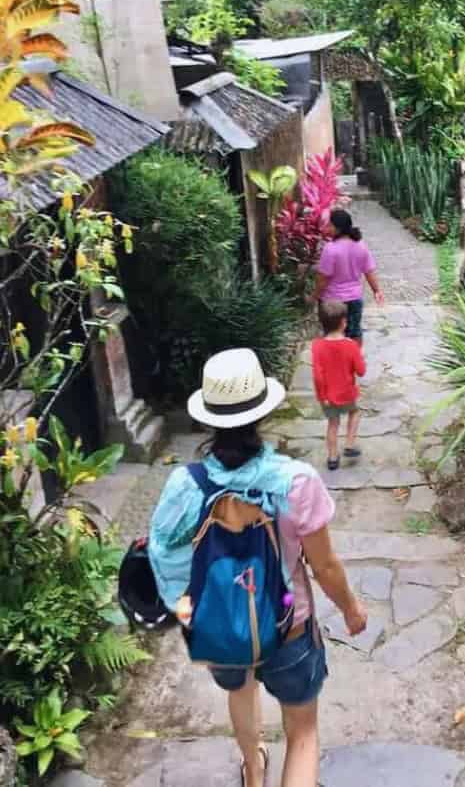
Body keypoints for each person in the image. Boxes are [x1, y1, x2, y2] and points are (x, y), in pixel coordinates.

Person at [148, 349, 368, 787]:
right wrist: (350, 608)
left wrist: (186, 610)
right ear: (262, 412)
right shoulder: (296, 480)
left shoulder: (184, 485)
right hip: (289, 624)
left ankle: (253, 768)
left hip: (221, 626)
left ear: (209, 417)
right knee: (303, 731)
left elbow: (164, 552)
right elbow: (323, 565)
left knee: (239, 689)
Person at [307, 208, 384, 344]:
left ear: (338, 228)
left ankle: (335, 362)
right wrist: (376, 290)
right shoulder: (361, 246)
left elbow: (322, 279)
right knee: (354, 333)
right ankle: (354, 360)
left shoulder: (330, 249)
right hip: (354, 299)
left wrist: (314, 296)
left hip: (332, 303)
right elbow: (369, 271)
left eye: (330, 225)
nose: (327, 228)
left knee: (332, 335)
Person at [312, 301, 366, 470]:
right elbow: (361, 371)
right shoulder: (351, 345)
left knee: (333, 424)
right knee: (355, 413)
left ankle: (333, 458)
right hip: (347, 393)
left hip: (328, 396)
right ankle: (349, 444)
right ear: (344, 323)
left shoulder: (317, 346)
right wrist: (358, 356)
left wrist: (323, 396)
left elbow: (318, 376)